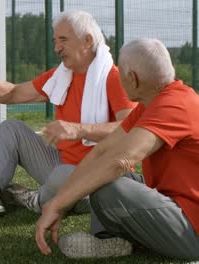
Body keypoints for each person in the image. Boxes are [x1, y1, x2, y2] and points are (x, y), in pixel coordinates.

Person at [0, 10, 136, 217]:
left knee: (64, 176)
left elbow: (131, 129)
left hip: (99, 179)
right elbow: (13, 93)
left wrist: (79, 130)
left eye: (63, 40)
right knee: (11, 128)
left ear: (87, 41)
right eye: (55, 41)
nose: (57, 47)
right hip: (62, 169)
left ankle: (35, 199)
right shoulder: (61, 76)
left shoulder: (113, 78)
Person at [35, 38, 199, 259]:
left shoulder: (175, 104)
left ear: (132, 79)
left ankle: (115, 239)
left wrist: (56, 204)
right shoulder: (152, 103)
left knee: (109, 184)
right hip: (171, 202)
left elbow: (119, 161)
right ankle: (112, 240)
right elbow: (102, 151)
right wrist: (62, 203)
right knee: (97, 175)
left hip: (191, 228)